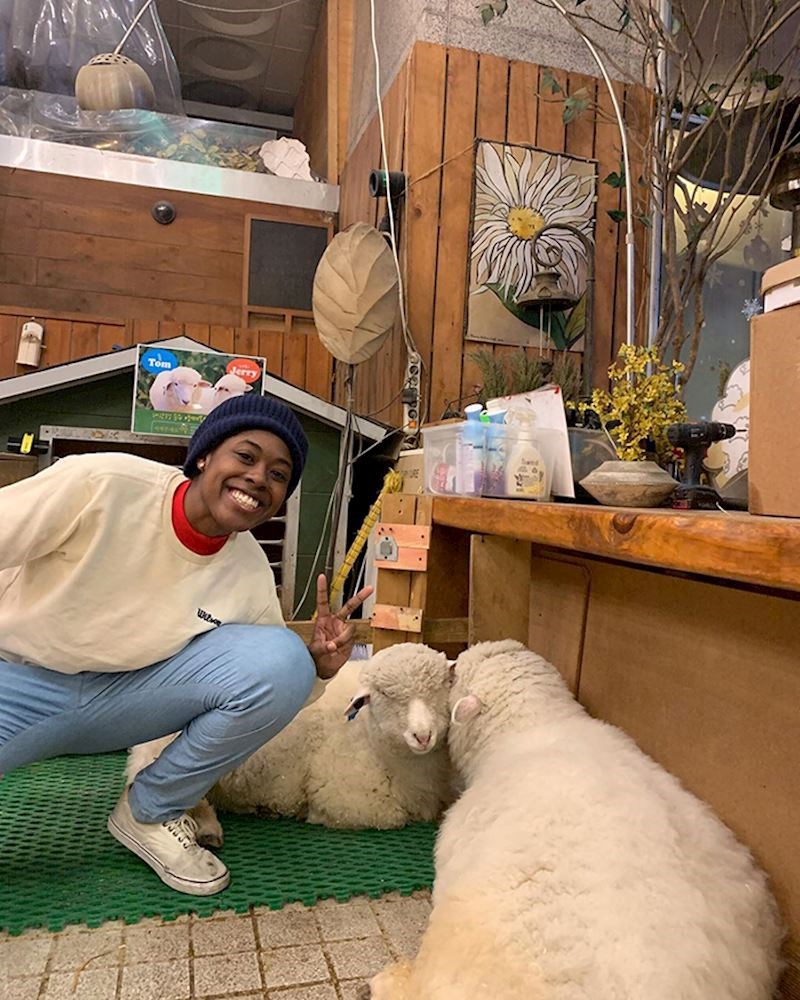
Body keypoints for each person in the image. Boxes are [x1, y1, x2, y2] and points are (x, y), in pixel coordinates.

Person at [0, 393, 372, 896]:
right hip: (17, 683)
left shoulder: (248, 572)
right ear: (203, 457)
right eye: (245, 456)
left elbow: (275, 687)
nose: (258, 478)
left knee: (284, 658)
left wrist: (318, 666)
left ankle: (150, 810)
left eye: (278, 475)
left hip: (123, 702)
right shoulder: (103, 483)